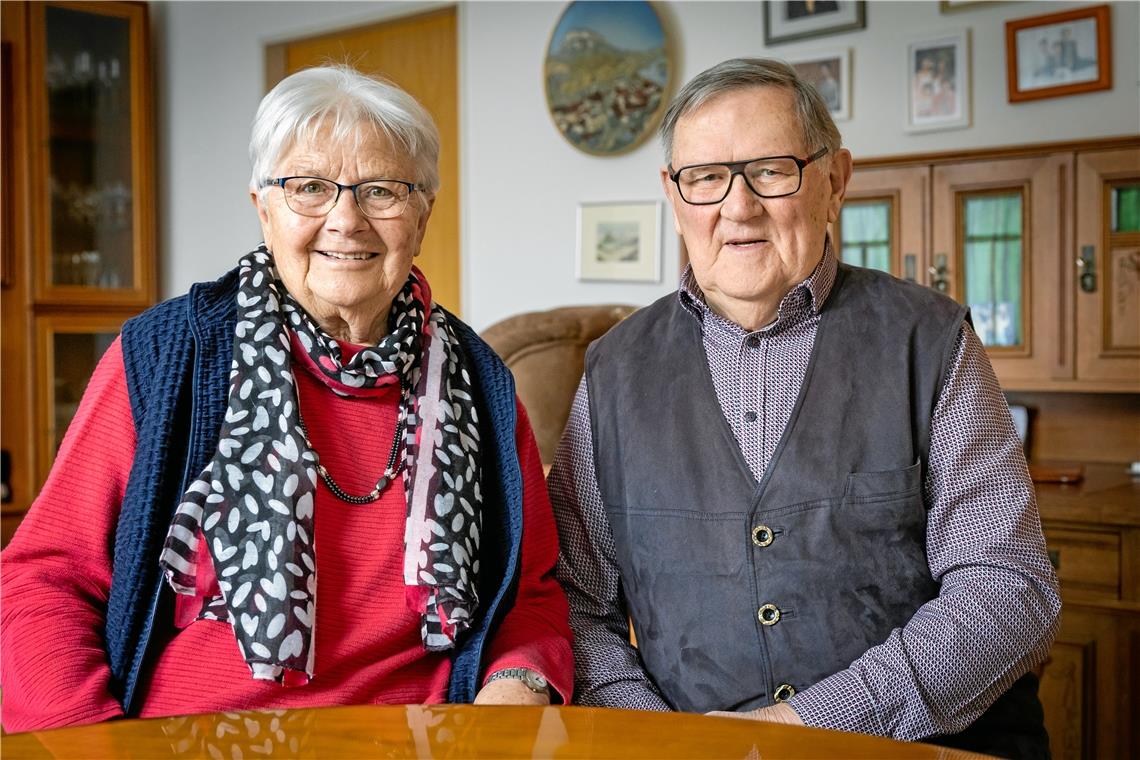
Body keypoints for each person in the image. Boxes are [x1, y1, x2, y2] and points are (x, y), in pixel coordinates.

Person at [1, 65, 572, 732]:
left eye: (382, 190)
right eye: (308, 188)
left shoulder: (481, 384)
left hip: (419, 741)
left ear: (423, 213)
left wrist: (511, 696)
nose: (346, 220)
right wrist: (93, 746)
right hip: (185, 741)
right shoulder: (165, 359)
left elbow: (529, 598)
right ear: (263, 208)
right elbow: (45, 581)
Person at [549, 58, 1059, 759]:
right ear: (673, 195)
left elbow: (1009, 589)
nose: (737, 207)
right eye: (705, 177)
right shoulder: (611, 372)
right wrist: (668, 743)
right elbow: (578, 604)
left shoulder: (931, 340)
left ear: (835, 180)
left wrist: (798, 732)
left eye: (770, 169)